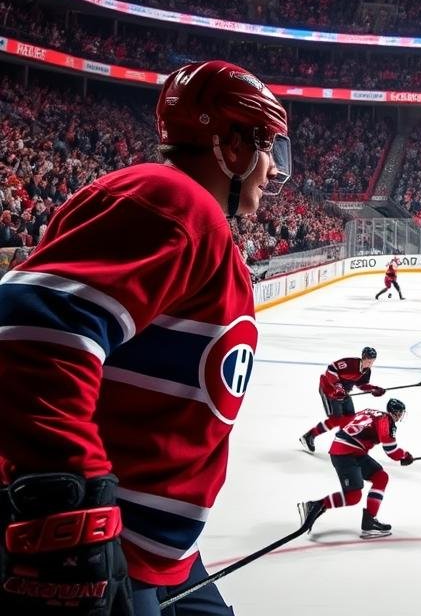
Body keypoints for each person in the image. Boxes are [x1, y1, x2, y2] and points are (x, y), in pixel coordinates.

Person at [0, 60, 292, 616]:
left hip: (160, 557)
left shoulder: (195, 221)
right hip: (110, 551)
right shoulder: (172, 200)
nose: (272, 168)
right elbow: (33, 326)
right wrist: (74, 512)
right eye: (268, 147)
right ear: (232, 148)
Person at [297, 398, 413, 539]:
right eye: (400, 413)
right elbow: (390, 449)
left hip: (351, 450)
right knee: (353, 496)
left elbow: (348, 423)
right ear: (395, 412)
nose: (401, 416)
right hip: (345, 453)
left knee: (380, 477)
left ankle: (369, 521)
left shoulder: (370, 411)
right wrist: (404, 456)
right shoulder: (386, 421)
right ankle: (315, 505)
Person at [299, 346, 386, 452]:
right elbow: (331, 369)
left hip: (343, 393)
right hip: (328, 390)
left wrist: (373, 389)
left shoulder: (367, 371)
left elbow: (361, 384)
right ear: (363, 357)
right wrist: (338, 386)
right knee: (335, 419)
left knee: (350, 419)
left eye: (372, 361)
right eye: (368, 361)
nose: (370, 364)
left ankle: (343, 445)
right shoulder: (350, 363)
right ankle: (309, 436)